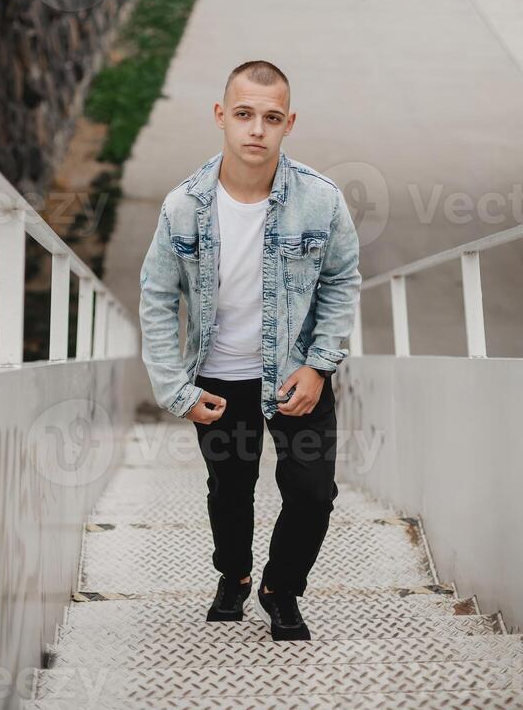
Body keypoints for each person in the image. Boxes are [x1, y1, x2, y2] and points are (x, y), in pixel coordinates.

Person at [139, 59, 361, 640]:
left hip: (296, 376)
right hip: (216, 380)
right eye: (243, 115)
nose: (256, 129)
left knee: (314, 493)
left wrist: (319, 366)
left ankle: (280, 588)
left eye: (270, 117)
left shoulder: (320, 200)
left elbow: (342, 280)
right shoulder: (182, 206)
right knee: (230, 491)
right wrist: (177, 390)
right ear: (221, 117)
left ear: (289, 123)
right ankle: (234, 575)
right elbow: (157, 299)